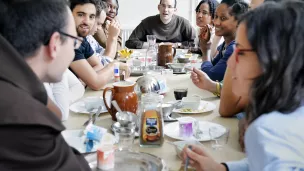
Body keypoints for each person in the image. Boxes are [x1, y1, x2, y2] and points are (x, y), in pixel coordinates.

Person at [183, 1, 304, 170]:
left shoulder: (267, 132)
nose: (231, 62)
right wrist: (222, 168)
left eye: (241, 52)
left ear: (273, 58)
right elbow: (262, 163)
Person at [0, 0, 90, 170]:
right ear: (55, 43)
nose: (73, 51)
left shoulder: (13, 81)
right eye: (74, 43)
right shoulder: (25, 120)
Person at [69, 0, 129, 91]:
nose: (87, 22)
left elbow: (98, 65)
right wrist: (115, 66)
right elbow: (96, 83)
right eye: (80, 15)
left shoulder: (81, 38)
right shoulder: (70, 41)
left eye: (91, 16)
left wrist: (85, 80)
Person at [200, 0, 248, 82]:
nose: (216, 22)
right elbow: (213, 66)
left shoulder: (235, 47)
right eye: (216, 16)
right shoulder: (225, 44)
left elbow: (212, 76)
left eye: (223, 18)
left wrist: (205, 51)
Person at [125, 0, 196, 49]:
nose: (165, 9)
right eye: (163, 6)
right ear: (159, 7)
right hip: (152, 56)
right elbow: (130, 42)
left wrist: (176, 45)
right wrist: (154, 45)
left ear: (175, 10)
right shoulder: (147, 22)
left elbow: (195, 43)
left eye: (169, 7)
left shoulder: (183, 23)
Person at [86, 0, 117, 66]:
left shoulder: (89, 37)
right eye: (98, 23)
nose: (99, 28)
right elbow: (105, 62)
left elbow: (103, 52)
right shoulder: (84, 38)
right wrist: (113, 37)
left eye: (114, 8)